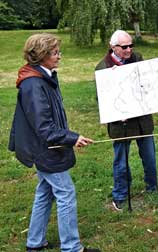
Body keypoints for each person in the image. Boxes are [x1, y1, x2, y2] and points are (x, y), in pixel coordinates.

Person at [9, 33, 100, 252]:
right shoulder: (33, 84)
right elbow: (44, 128)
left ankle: (35, 241)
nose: (59, 56)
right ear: (42, 55)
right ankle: (71, 247)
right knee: (66, 194)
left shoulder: (45, 77)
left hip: (50, 147)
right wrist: (72, 138)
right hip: (46, 149)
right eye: (55, 53)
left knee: (45, 192)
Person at [95, 30, 158, 211]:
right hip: (121, 124)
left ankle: (152, 190)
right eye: (124, 47)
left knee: (150, 157)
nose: (129, 49)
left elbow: (148, 82)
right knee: (121, 162)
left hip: (142, 121)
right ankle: (120, 196)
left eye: (131, 45)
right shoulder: (103, 67)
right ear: (113, 47)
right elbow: (102, 98)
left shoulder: (138, 58)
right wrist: (112, 82)